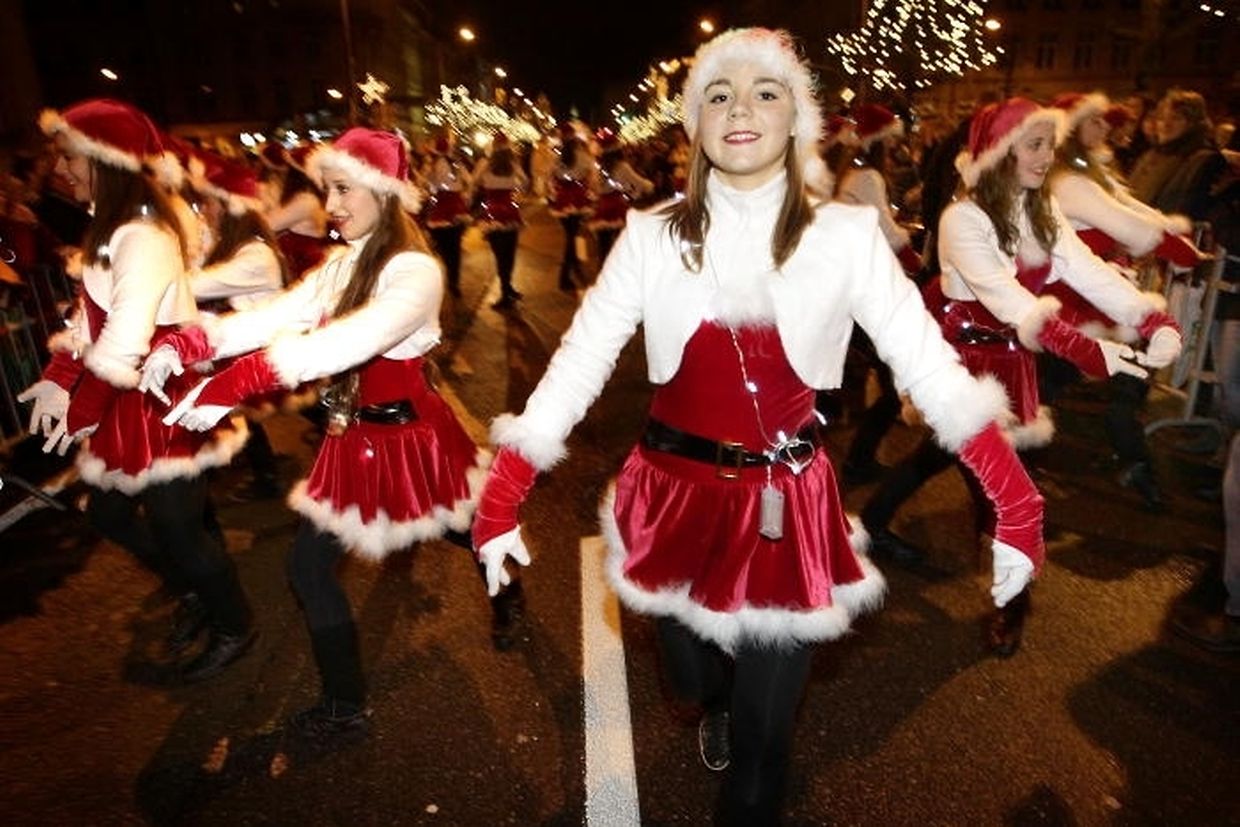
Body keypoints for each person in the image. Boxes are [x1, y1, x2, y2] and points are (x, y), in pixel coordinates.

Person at [468, 29, 1044, 826]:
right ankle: (713, 695)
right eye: (720, 93)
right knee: (693, 681)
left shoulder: (845, 235)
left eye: (765, 91)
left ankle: (744, 740)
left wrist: (1016, 500)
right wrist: (503, 492)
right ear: (696, 123)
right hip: (671, 499)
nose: (741, 106)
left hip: (786, 507)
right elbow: (579, 360)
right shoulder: (651, 232)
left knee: (762, 749)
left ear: (796, 117)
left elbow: (930, 367)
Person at [142, 127, 517, 737]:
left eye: (343, 189)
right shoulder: (343, 263)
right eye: (327, 189)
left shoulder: (416, 270)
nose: (330, 204)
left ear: (383, 190)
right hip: (354, 439)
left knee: (465, 530)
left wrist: (235, 384)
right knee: (308, 567)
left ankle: (507, 595)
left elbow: (347, 342)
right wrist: (189, 344)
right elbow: (277, 315)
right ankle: (346, 705)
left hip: (412, 438)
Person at [862, 98, 1182, 614]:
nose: (1046, 156)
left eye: (1050, 145)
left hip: (1015, 357)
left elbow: (1087, 271)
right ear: (1001, 151)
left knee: (959, 463)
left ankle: (880, 527)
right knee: (1000, 485)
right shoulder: (962, 218)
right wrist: (1090, 351)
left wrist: (1151, 319)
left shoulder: (1041, 209)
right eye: (1034, 144)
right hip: (964, 363)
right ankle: (1011, 604)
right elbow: (1007, 299)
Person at [19, 98, 254, 680]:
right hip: (128, 398)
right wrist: (57, 379)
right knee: (111, 515)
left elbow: (122, 341)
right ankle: (194, 588)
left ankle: (234, 624)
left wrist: (79, 412)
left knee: (179, 529)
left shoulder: (143, 236)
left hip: (162, 399)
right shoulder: (111, 230)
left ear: (106, 159)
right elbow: (87, 322)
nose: (60, 169)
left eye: (70, 156)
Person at [1045, 92, 1207, 509]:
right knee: (1118, 381)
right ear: (1073, 128)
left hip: (1093, 295)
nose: (1106, 128)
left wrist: (1175, 236)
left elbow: (1135, 210)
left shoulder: (1089, 172)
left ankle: (1128, 460)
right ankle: (1132, 463)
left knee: (1061, 382)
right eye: (1096, 121)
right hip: (1080, 299)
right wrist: (1184, 252)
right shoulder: (1070, 180)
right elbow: (1130, 226)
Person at [185, 150, 291, 501]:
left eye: (210, 202)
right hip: (245, 343)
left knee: (231, 403)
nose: (205, 210)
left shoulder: (255, 254)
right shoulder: (233, 246)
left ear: (228, 206)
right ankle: (258, 472)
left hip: (264, 347)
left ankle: (263, 476)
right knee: (233, 408)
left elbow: (198, 284)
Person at [833, 103, 921, 485]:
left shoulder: (848, 173)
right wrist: (915, 257)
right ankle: (858, 461)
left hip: (849, 283)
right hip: (866, 286)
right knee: (890, 377)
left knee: (882, 370)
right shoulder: (869, 177)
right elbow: (886, 232)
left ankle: (858, 453)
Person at [1128, 89, 1227, 221]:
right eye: (1162, 118)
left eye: (1176, 118)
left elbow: (1184, 211)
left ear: (1193, 124)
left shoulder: (1201, 160)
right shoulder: (1151, 154)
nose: (1166, 124)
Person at [471, 133, 528, 309]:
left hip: (492, 212)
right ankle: (507, 289)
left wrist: (486, 185)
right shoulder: (512, 163)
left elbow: (474, 181)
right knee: (510, 253)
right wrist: (515, 189)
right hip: (510, 210)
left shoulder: (486, 163)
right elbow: (525, 182)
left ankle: (505, 292)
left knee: (499, 254)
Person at [263, 145, 333, 280]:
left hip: (304, 268)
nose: (284, 171)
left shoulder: (306, 200)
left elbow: (269, 225)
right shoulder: (306, 198)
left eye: (288, 168)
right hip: (302, 266)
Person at [588, 133, 654, 265]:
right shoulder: (622, 166)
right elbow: (637, 181)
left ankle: (602, 269)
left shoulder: (599, 166)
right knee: (619, 244)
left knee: (603, 245)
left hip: (602, 206)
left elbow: (593, 185)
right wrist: (649, 185)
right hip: (617, 206)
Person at [421, 135, 471, 297]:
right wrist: (463, 193)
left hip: (441, 208)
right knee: (454, 247)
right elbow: (469, 180)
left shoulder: (434, 164)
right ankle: (454, 281)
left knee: (441, 246)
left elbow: (428, 185)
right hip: (457, 208)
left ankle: (445, 277)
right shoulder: (457, 163)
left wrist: (432, 187)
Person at [548, 128, 597, 291]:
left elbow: (550, 177)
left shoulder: (557, 157)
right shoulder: (583, 156)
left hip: (562, 198)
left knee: (570, 235)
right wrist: (589, 189)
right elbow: (592, 176)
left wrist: (555, 190)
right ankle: (564, 276)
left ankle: (574, 267)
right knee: (572, 237)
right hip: (578, 198)